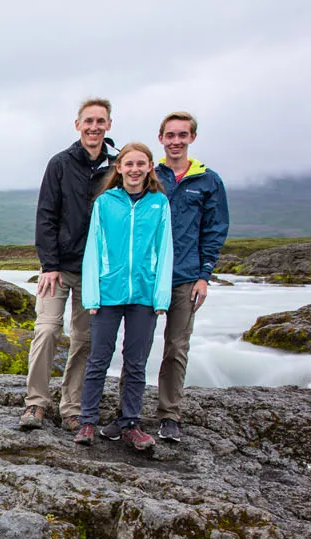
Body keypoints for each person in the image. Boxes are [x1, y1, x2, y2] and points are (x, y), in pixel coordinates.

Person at [102, 111, 229, 442]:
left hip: (185, 277)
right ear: (161, 139)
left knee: (176, 346)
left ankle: (169, 414)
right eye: (170, 135)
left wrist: (204, 275)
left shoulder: (208, 181)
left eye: (182, 135)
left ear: (192, 138)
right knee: (135, 350)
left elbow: (214, 230)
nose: (176, 141)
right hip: (144, 278)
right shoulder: (149, 175)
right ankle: (128, 415)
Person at [19, 98, 118, 432]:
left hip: (95, 272)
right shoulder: (60, 164)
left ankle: (71, 408)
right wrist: (48, 265)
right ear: (78, 125)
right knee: (47, 330)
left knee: (84, 339)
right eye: (88, 121)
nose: (94, 127)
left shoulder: (117, 167)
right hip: (58, 268)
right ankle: (35, 404)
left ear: (108, 125)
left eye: (100, 121)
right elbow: (46, 214)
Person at [73, 142, 173, 451]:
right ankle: (87, 421)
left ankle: (131, 423)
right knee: (98, 359)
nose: (134, 169)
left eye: (140, 164)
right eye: (128, 164)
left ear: (149, 167)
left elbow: (165, 250)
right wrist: (91, 297)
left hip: (143, 294)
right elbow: (94, 249)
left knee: (136, 362)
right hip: (108, 293)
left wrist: (161, 298)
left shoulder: (159, 204)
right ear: (119, 168)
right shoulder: (106, 203)